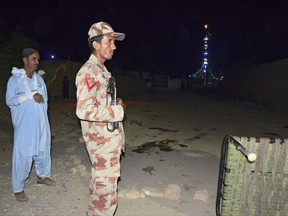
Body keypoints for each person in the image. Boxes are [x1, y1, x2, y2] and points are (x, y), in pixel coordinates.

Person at [75, 21, 126, 216]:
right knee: (106, 198)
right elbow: (85, 110)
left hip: (107, 143)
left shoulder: (102, 71)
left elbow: (99, 102)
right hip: (101, 144)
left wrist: (113, 102)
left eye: (114, 42)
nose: (114, 46)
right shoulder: (89, 71)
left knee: (100, 191)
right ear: (96, 44)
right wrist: (118, 111)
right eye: (109, 41)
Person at [6, 48, 56, 202]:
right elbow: (10, 101)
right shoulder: (14, 80)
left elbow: (45, 101)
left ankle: (42, 176)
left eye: (37, 59)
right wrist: (28, 96)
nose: (36, 62)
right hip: (25, 125)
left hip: (41, 122)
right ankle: (18, 188)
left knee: (43, 149)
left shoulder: (39, 80)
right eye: (33, 59)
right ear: (25, 60)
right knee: (24, 154)